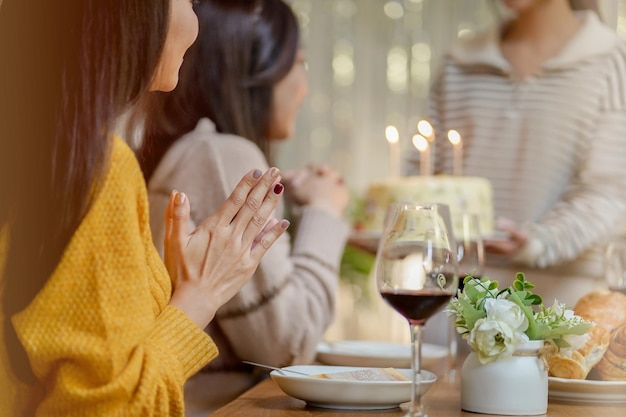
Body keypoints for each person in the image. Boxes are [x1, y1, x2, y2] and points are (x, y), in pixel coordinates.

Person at [0, 0, 289, 415]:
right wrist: (199, 298)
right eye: (187, 1)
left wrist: (162, 289)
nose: (195, 21)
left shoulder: (34, 148)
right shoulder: (95, 168)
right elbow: (112, 407)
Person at [137, 0, 350, 412]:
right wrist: (325, 214)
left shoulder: (194, 150)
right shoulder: (222, 155)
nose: (304, 86)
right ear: (255, 70)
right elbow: (288, 348)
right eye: (297, 63)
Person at [413, 0, 626, 306]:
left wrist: (538, 243)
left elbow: (608, 193)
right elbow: (421, 172)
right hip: (454, 298)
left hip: (559, 308)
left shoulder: (612, 61)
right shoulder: (460, 61)